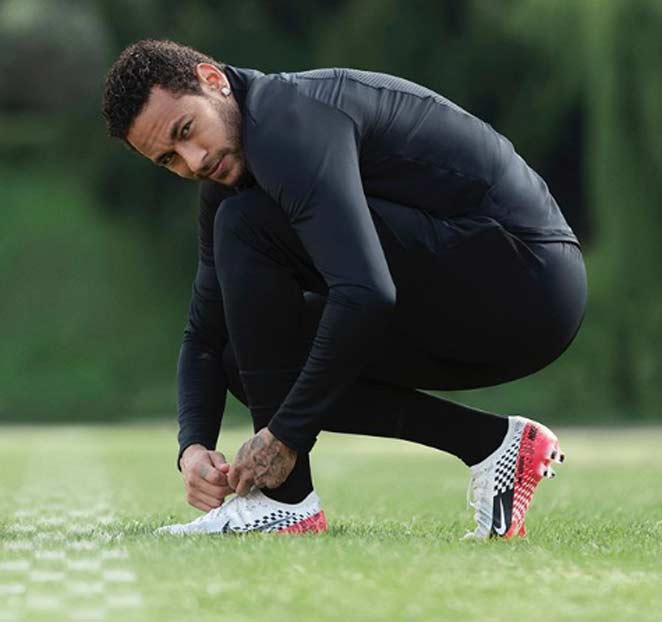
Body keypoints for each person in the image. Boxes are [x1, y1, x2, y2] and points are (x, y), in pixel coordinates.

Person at [102, 39, 587, 539]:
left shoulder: (287, 123)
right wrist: (193, 445)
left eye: (186, 131)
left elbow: (366, 292)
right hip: (485, 301)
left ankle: (283, 503)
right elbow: (205, 334)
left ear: (213, 80)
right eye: (169, 159)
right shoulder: (230, 174)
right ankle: (494, 445)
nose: (194, 161)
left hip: (529, 282)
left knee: (246, 224)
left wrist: (285, 436)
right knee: (241, 360)